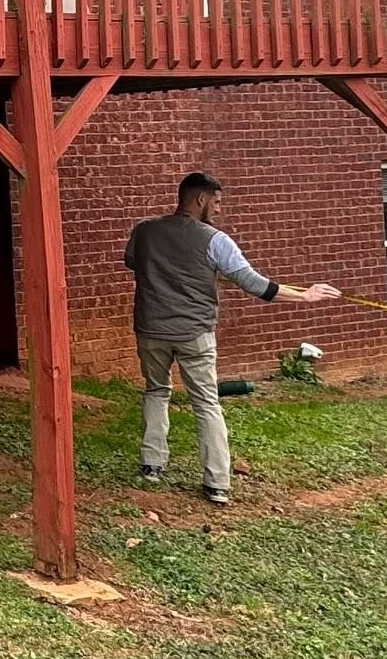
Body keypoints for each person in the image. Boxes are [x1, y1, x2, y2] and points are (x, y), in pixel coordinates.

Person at [123, 173, 338, 505]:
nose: (219, 209)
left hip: (150, 332)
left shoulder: (145, 230)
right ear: (200, 200)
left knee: (155, 391)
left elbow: (135, 263)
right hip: (194, 334)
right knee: (206, 402)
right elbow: (254, 284)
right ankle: (217, 482)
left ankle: (151, 465)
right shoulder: (215, 240)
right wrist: (305, 296)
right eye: (217, 202)